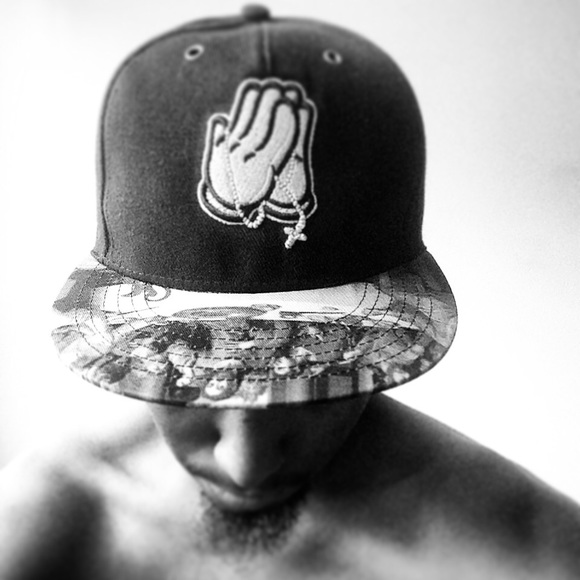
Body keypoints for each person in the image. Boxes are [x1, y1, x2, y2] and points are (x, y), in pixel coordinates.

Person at [1, 5, 579, 579]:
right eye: (189, 367)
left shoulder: (530, 556)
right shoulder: (52, 521)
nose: (245, 465)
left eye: (316, 367)